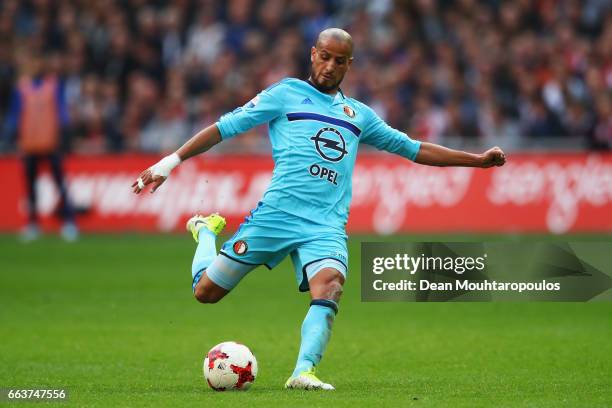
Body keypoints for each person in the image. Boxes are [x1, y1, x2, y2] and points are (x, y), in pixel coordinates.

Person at [132, 28, 505, 390]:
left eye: (339, 61)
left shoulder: (358, 115)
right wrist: (171, 161)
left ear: (349, 65)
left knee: (330, 287)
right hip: (276, 215)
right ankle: (206, 232)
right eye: (324, 57)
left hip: (325, 226)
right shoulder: (286, 94)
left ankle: (303, 372)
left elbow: (413, 148)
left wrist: (476, 161)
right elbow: (224, 127)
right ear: (313, 54)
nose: (329, 66)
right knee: (206, 292)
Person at [5, 52, 78, 242]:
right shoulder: (22, 88)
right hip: (29, 145)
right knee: (31, 187)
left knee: (60, 184)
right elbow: (15, 115)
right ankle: (33, 223)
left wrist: (65, 132)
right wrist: (12, 136)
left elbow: (61, 111)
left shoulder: (53, 85)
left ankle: (69, 221)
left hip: (50, 143)